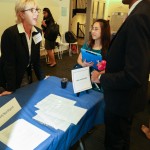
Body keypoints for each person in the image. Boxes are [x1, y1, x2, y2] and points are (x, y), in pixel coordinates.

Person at [91, 0, 150, 149]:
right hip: (127, 98)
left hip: (122, 100)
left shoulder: (139, 17)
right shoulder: (141, 12)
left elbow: (133, 75)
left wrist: (103, 77)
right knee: (122, 138)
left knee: (115, 142)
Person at [0, 0, 45, 96]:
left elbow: (36, 59)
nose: (36, 13)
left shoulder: (38, 32)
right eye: (32, 10)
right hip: (10, 76)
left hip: (26, 74)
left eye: (37, 10)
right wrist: (10, 88)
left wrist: (42, 78)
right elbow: (9, 64)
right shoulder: (10, 34)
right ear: (22, 14)